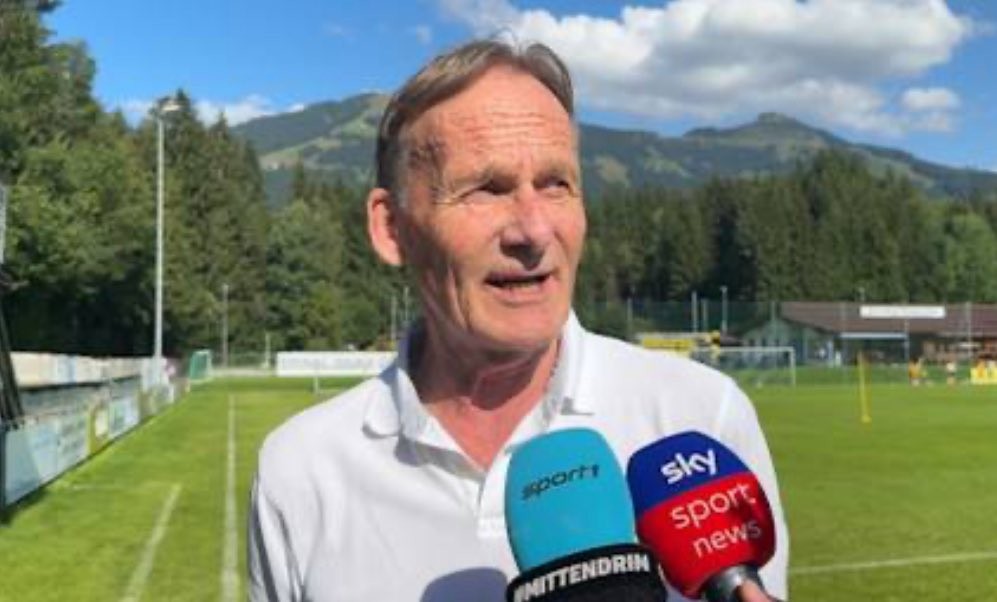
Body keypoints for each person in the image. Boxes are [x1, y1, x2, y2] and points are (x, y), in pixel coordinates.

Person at [248, 39, 789, 602]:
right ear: (392, 228)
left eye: (556, 184)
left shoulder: (702, 420)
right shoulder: (300, 470)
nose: (533, 230)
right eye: (486, 188)